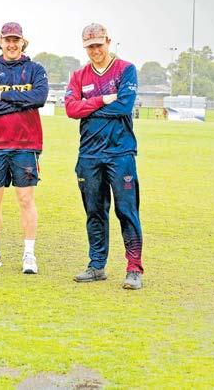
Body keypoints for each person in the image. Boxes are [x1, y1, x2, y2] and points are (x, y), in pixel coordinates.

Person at [65, 23, 144, 290]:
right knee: (94, 212)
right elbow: (71, 109)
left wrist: (87, 108)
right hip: (89, 154)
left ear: (108, 41)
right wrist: (102, 100)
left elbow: (124, 105)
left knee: (126, 211)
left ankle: (134, 269)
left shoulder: (125, 69)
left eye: (99, 45)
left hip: (121, 152)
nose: (95, 50)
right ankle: (97, 265)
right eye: (90, 47)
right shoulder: (78, 75)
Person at [0, 22, 48, 274]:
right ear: (0, 42)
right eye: (7, 40)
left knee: (25, 198)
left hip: (26, 144)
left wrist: (2, 96)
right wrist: (21, 103)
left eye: (16, 40)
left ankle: (29, 254)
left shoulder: (35, 70)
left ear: (23, 42)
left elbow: (38, 98)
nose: (12, 44)